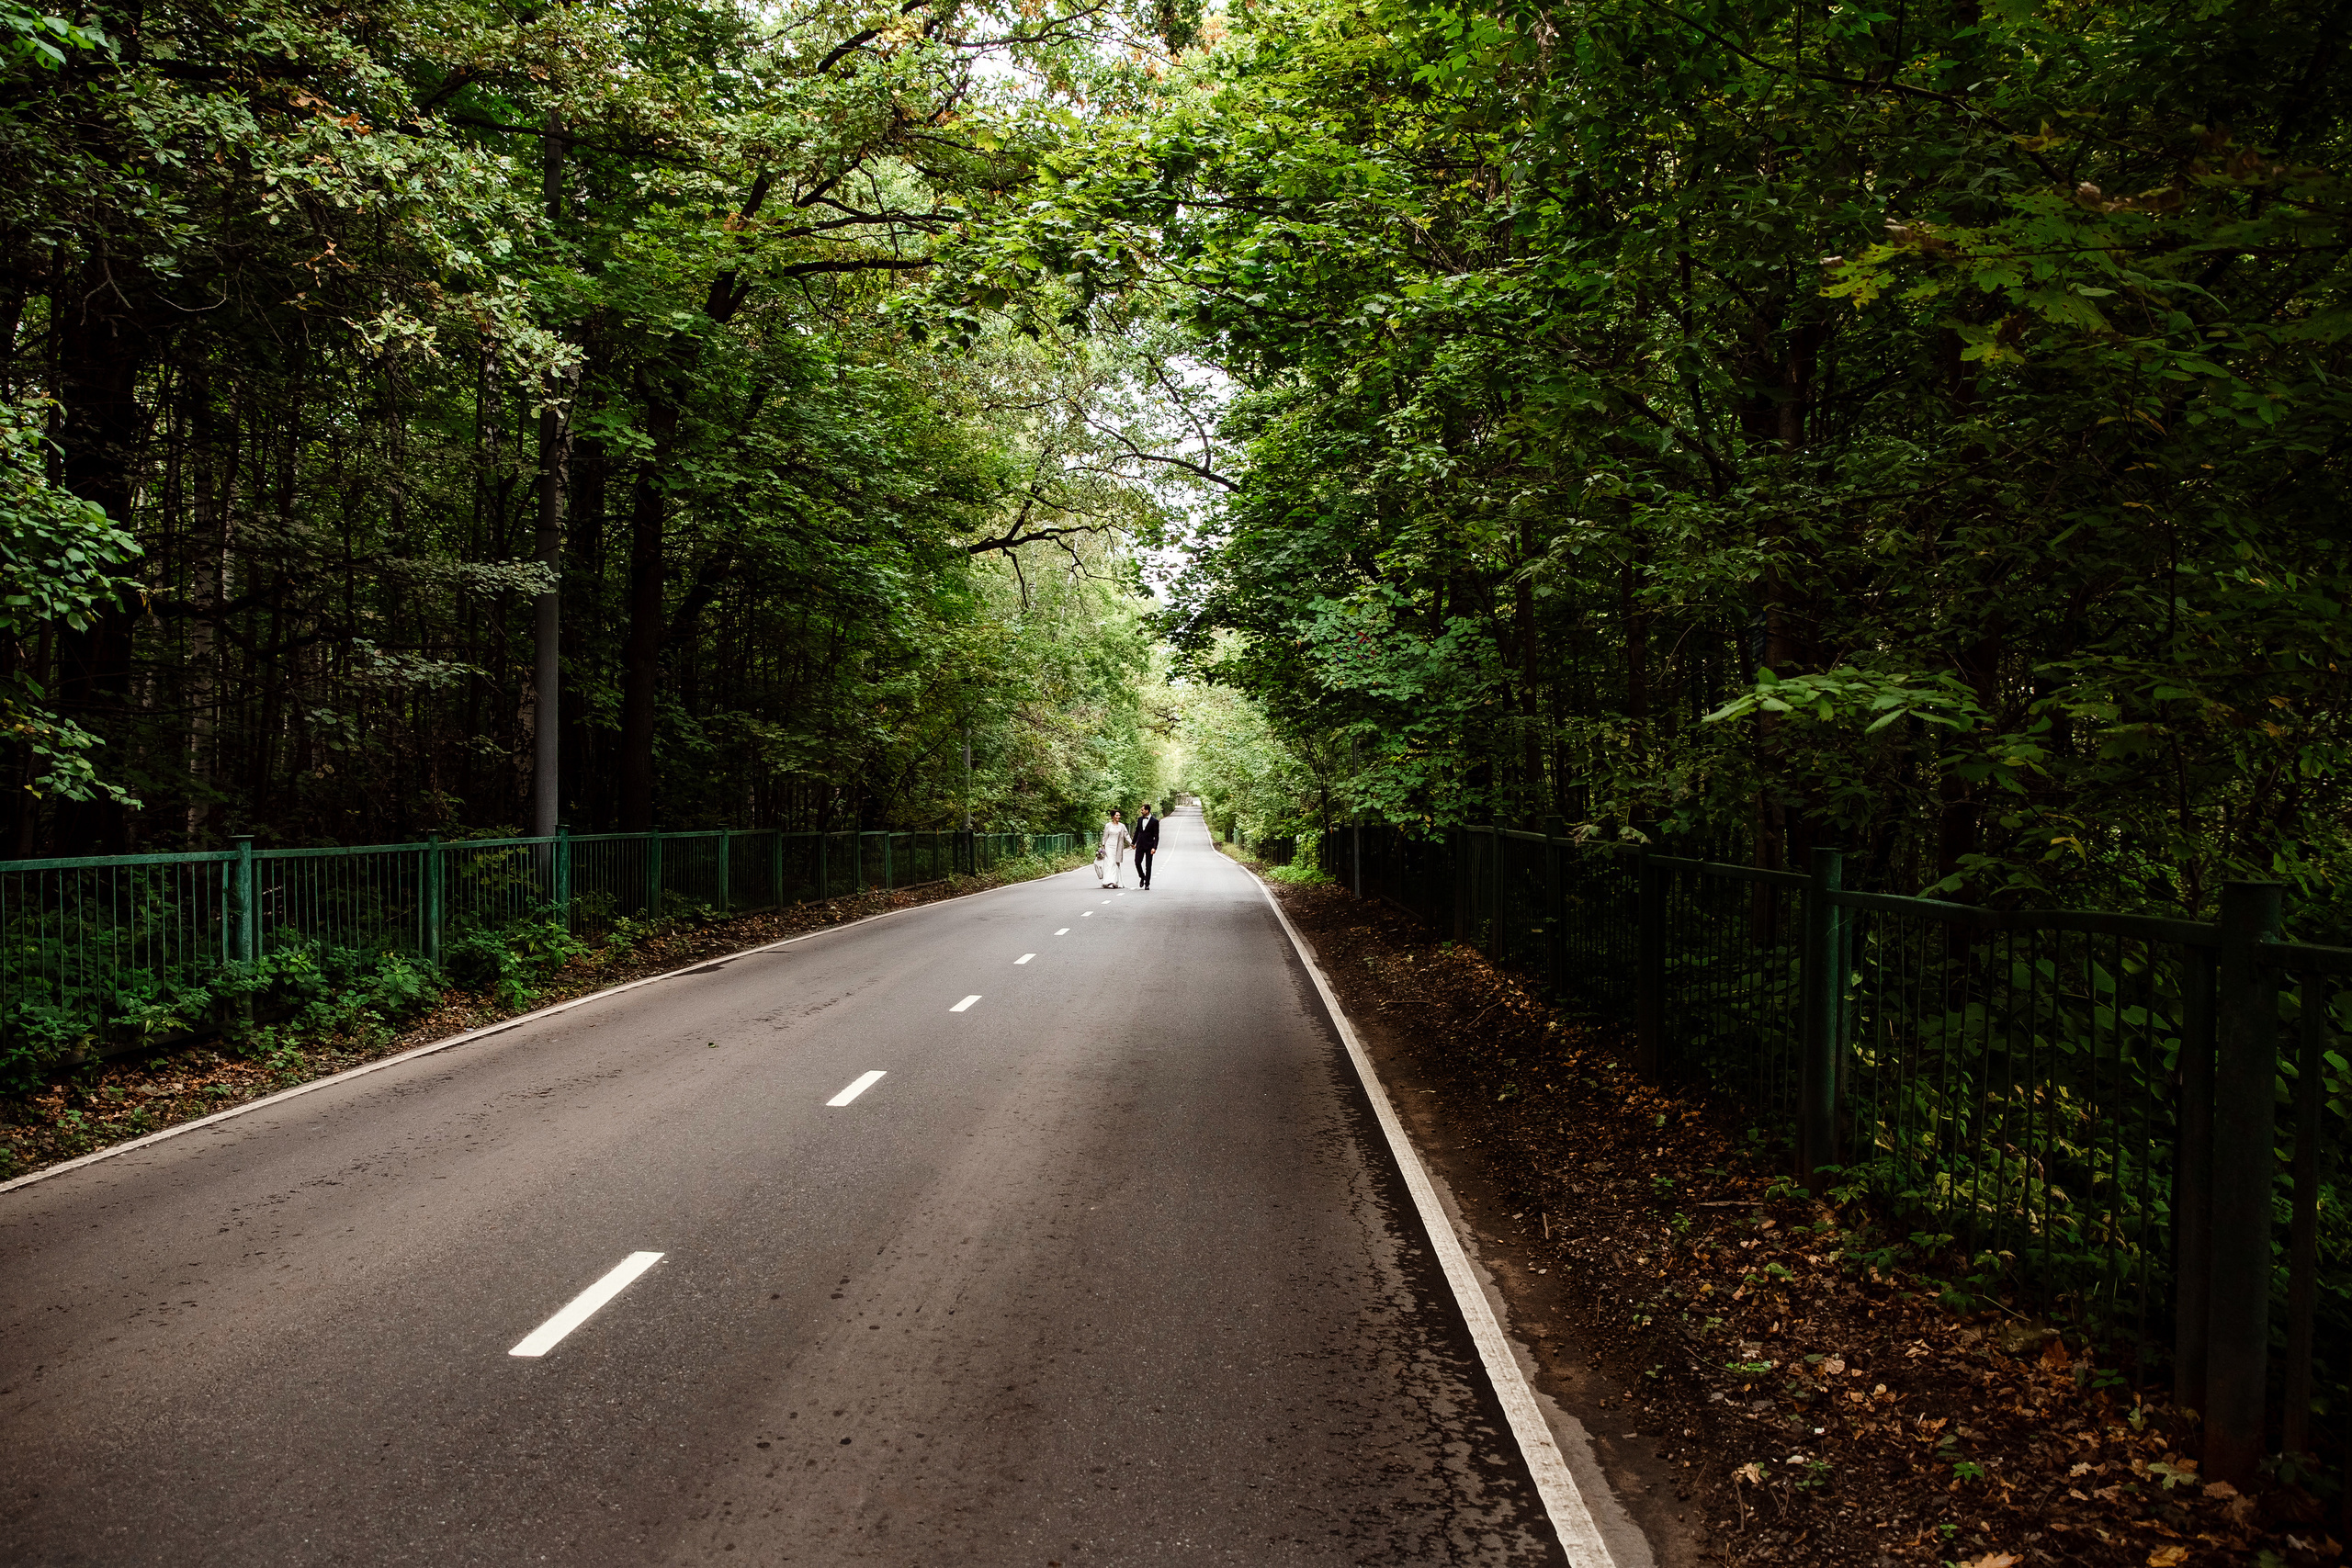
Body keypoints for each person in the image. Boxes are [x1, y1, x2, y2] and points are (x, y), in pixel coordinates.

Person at [1096, 808, 1131, 887]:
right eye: (1117, 815)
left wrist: (1132, 844)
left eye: (1119, 815)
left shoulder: (1122, 826)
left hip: (1118, 846)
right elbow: (1105, 836)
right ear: (1113, 817)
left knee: (1116, 863)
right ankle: (1109, 881)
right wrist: (1103, 845)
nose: (1118, 817)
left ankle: (1116, 881)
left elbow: (1127, 835)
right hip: (1109, 846)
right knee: (1110, 862)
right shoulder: (1108, 825)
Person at [1132, 803, 1160, 888]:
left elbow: (1156, 836)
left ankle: (1147, 884)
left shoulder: (1155, 821)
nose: (1141, 811)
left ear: (1147, 811)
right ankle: (1142, 877)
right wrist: (1133, 843)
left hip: (1149, 845)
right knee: (1137, 862)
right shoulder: (1140, 819)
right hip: (1140, 844)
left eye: (1142, 810)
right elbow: (1137, 831)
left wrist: (1154, 847)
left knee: (1148, 865)